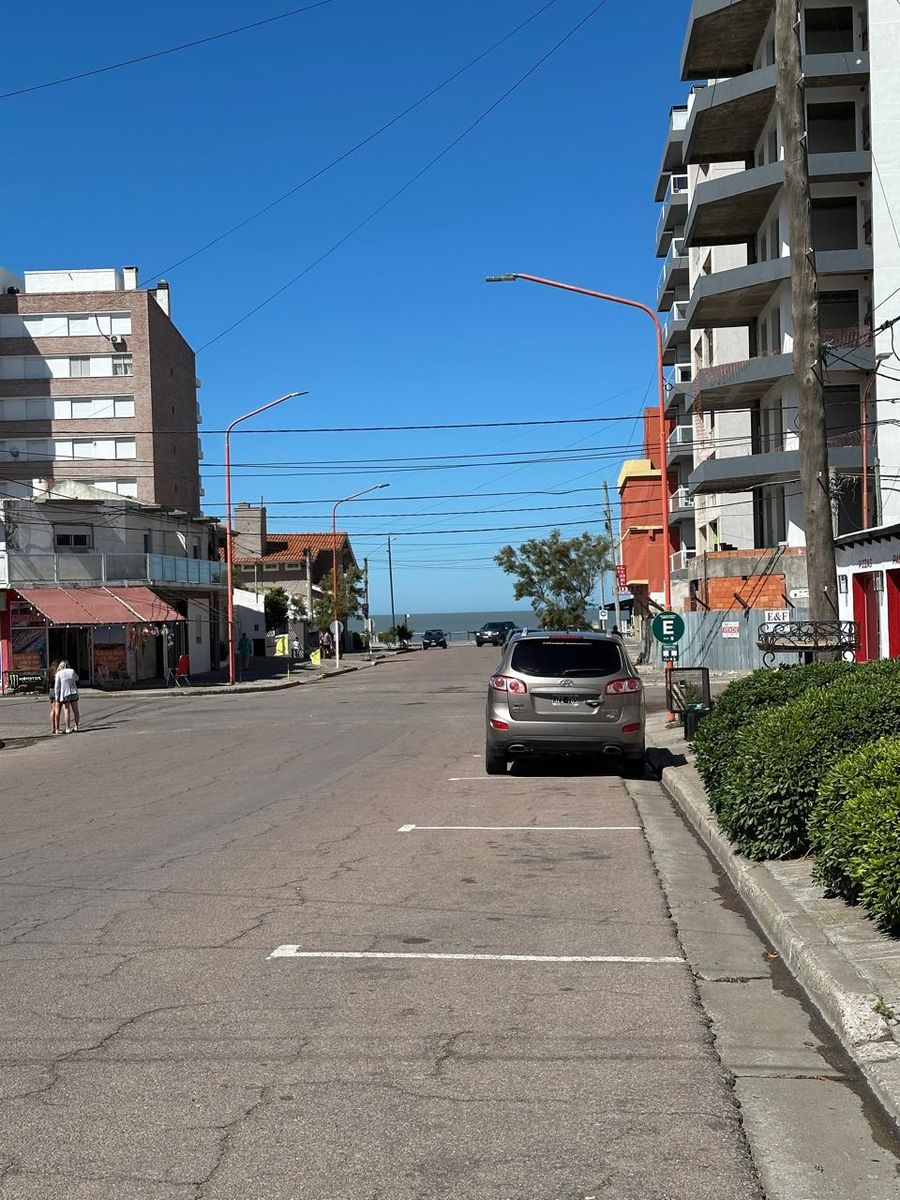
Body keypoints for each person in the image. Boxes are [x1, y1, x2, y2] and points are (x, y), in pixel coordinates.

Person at [54, 660, 80, 733]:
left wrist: (56, 697)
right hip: (73, 692)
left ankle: (67, 728)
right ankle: (76, 727)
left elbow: (57, 687)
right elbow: (77, 678)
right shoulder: (72, 671)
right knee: (76, 711)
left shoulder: (59, 673)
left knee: (66, 710)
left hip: (65, 693)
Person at [48, 660, 60, 736]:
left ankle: (52, 728)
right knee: (57, 710)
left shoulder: (49, 671)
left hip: (51, 690)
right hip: (56, 691)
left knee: (52, 710)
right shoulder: (58, 673)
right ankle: (57, 728)